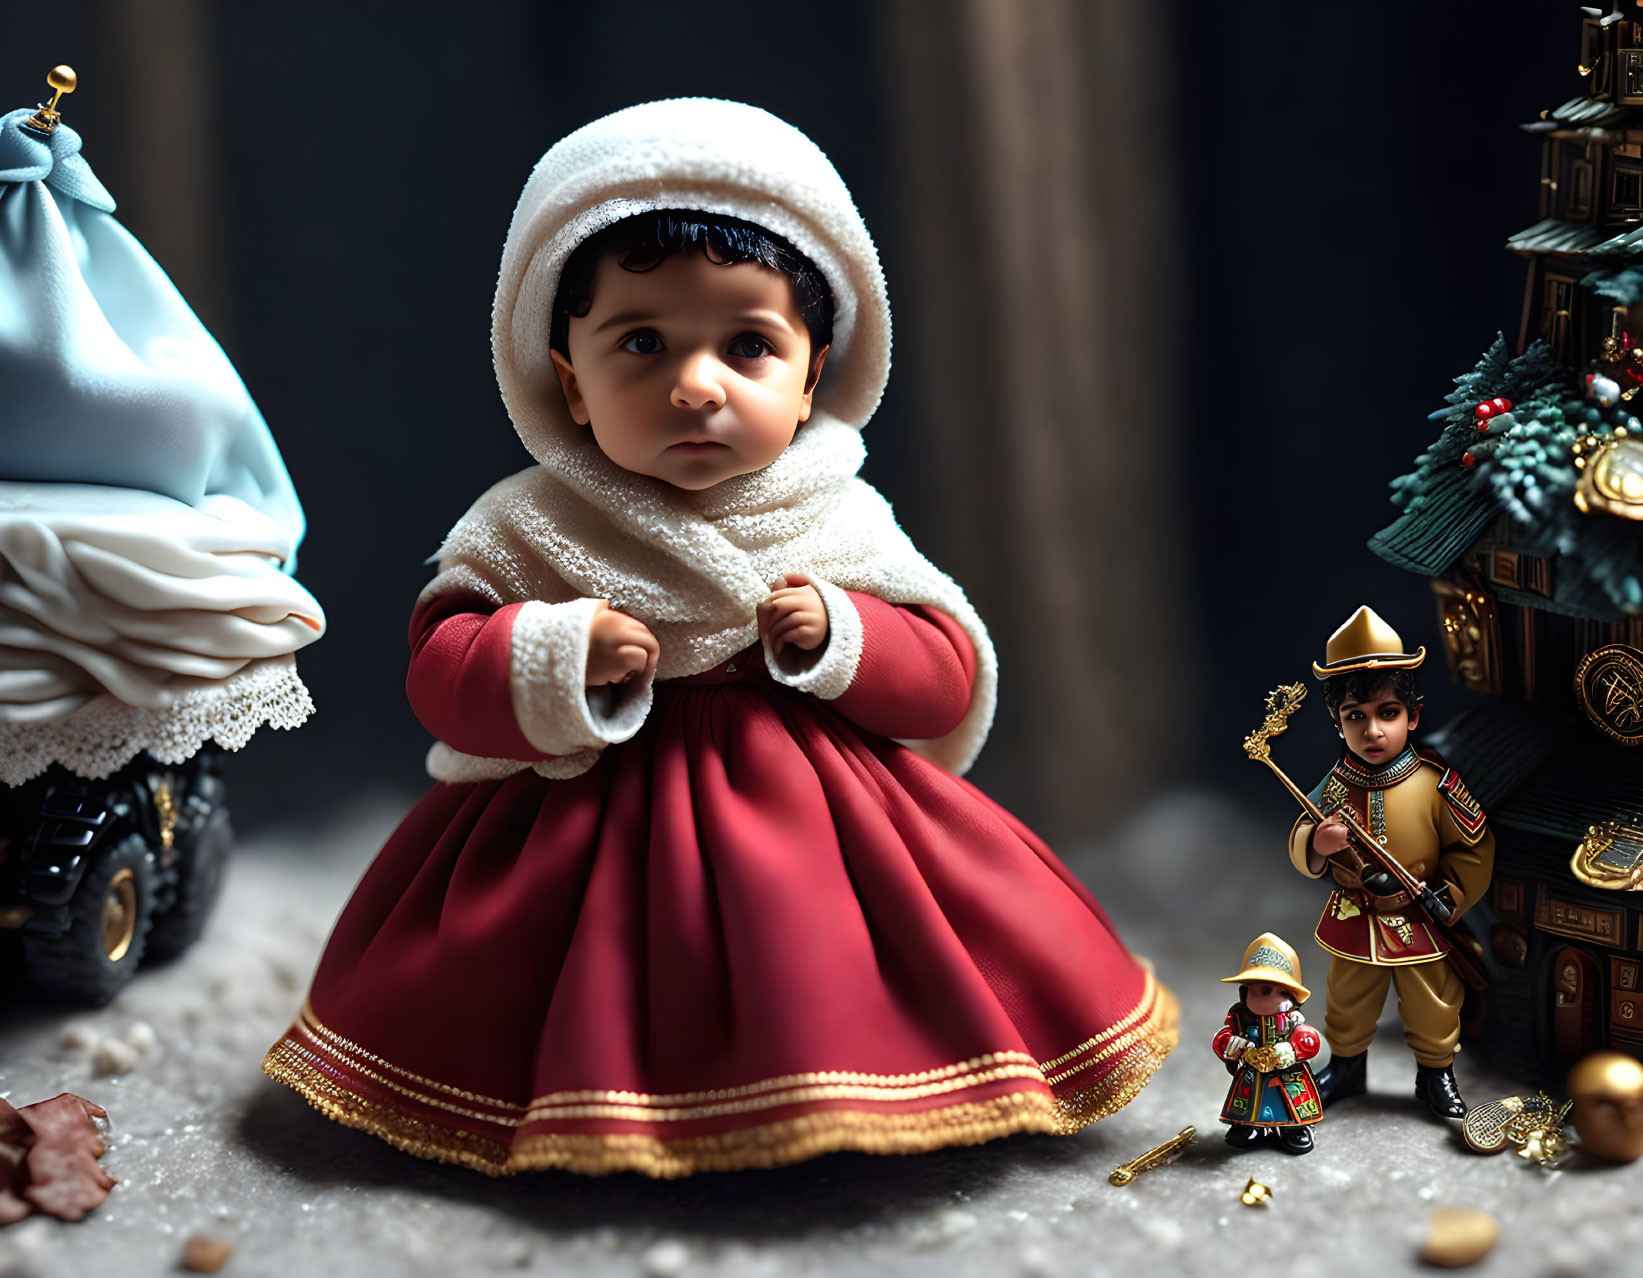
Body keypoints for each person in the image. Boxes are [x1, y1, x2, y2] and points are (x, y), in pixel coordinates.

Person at [262, 99, 1178, 1177]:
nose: (695, 385)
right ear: (568, 378)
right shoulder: (530, 522)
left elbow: (942, 677)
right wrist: (554, 652)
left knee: (845, 945)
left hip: (823, 819)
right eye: (641, 343)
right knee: (537, 973)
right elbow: (440, 670)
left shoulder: (836, 514)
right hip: (581, 819)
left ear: (809, 380)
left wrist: (843, 634)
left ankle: (847, 1068)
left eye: (747, 345)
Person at [1289, 606, 1494, 1120]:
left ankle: (1435, 1073)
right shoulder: (1336, 783)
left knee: (1432, 998)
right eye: (1355, 716)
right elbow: (1299, 834)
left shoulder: (1434, 783)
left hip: (1417, 913)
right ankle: (1346, 1066)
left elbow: (1474, 846)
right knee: (1348, 996)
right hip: (1355, 915)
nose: (1372, 731)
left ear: (1413, 716)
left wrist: (1451, 894)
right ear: (1338, 723)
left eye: (1388, 713)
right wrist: (1319, 841)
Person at [1212, 933, 1322, 1153]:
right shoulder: (1239, 1017)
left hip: (1288, 1072)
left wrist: (1292, 1049)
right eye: (1256, 990)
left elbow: (1310, 1040)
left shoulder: (1293, 1020)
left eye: (1268, 991)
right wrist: (1230, 1045)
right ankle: (1248, 1127)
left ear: (1288, 994)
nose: (1261, 998)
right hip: (1253, 1073)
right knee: (1249, 1101)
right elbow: (1222, 1037)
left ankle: (1294, 1129)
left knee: (1291, 1101)